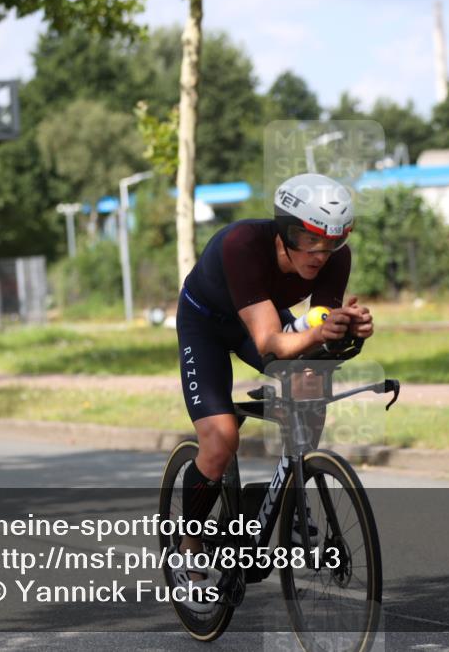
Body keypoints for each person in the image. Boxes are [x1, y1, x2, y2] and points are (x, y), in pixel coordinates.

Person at [171, 173, 374, 612]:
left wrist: (345, 331)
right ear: (285, 229)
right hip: (206, 324)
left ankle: (296, 493)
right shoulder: (241, 245)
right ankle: (187, 551)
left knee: (309, 378)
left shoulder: (336, 260)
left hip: (261, 316)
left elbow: (316, 321)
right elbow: (270, 341)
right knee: (221, 438)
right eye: (309, 239)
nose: (321, 254)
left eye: (333, 243)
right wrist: (317, 333)